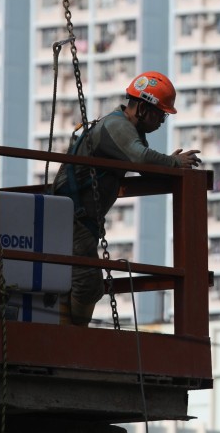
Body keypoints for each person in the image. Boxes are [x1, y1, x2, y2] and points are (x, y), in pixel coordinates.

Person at [52, 71, 201, 326]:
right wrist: (174, 162)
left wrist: (169, 164)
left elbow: (143, 164)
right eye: (161, 114)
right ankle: (71, 343)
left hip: (76, 218)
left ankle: (67, 337)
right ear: (143, 108)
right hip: (72, 217)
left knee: (78, 282)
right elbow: (141, 158)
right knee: (86, 285)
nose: (163, 121)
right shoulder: (116, 126)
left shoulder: (128, 129)